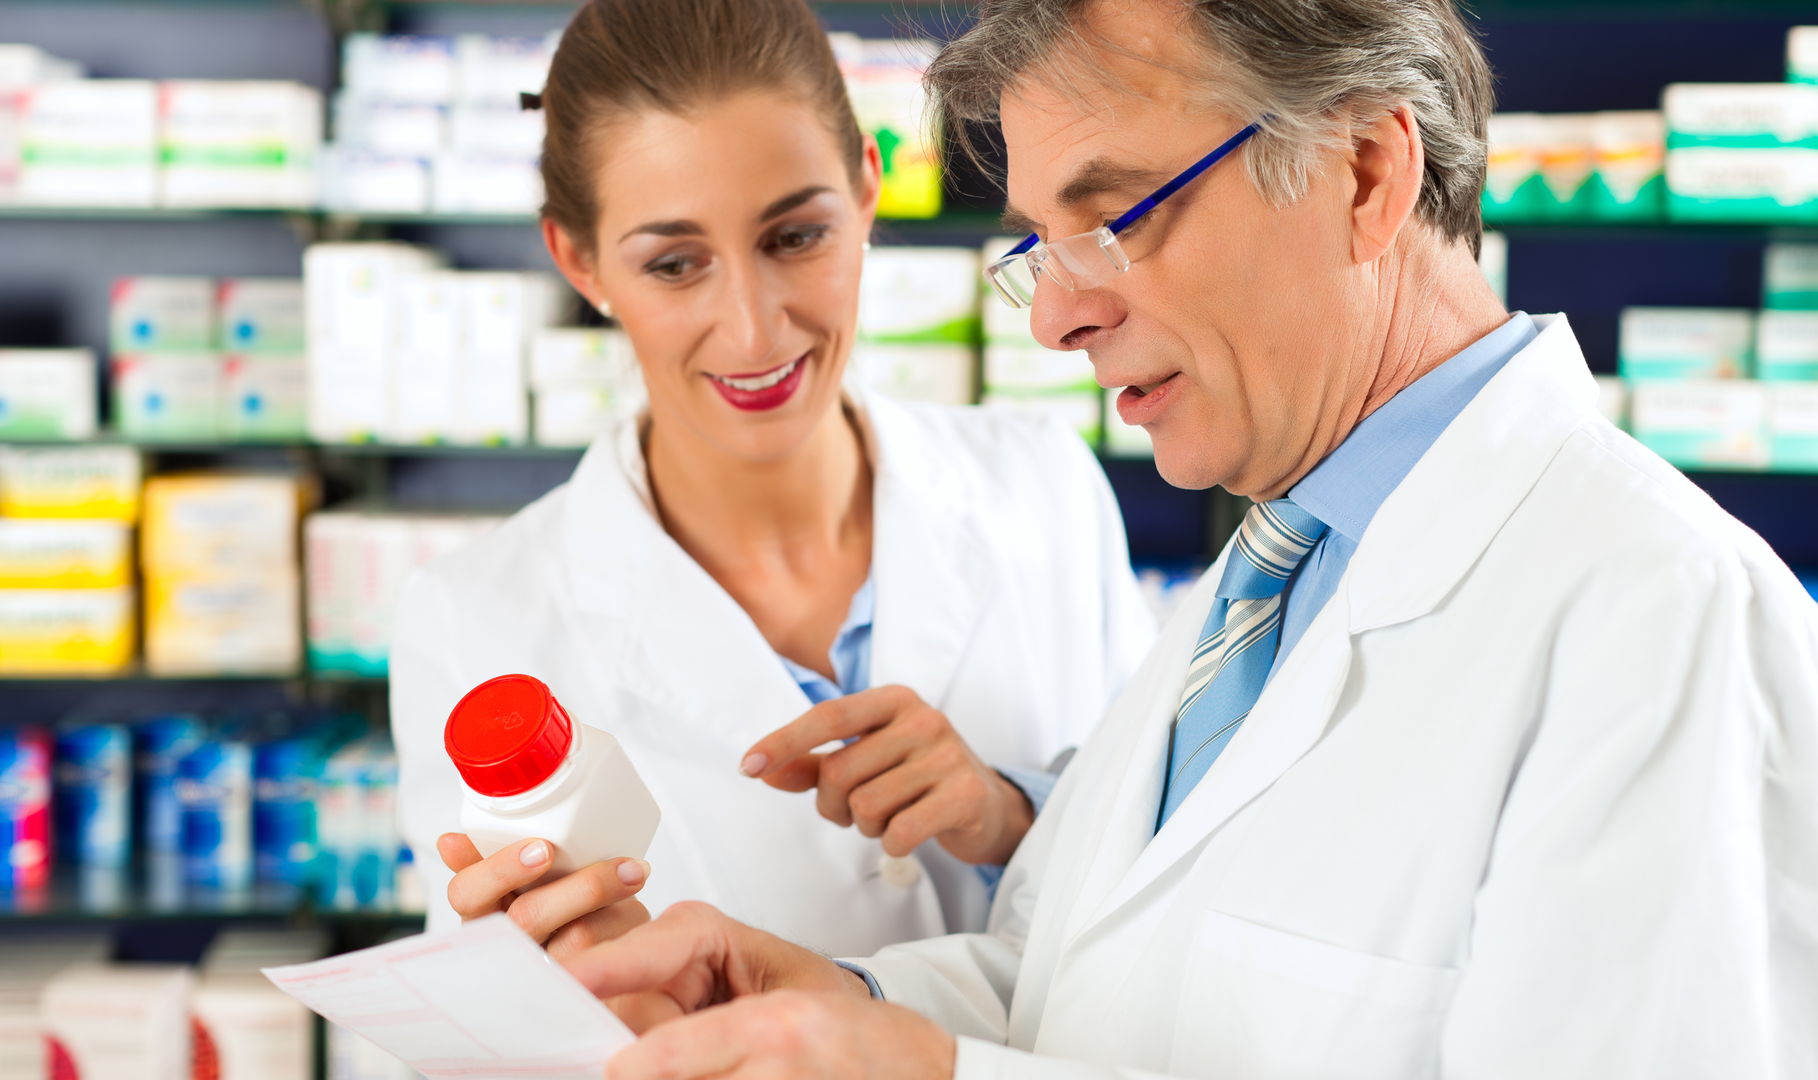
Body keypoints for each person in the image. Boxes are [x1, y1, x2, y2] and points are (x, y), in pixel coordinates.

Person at [542, 0, 1818, 1076]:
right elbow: (1082, 985)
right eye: (1038, 244)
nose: (1056, 317)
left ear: (1365, 173)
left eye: (1115, 219)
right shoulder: (1273, 568)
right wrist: (834, 1007)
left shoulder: (1666, 623)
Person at [388, 0, 1155, 962]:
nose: (753, 331)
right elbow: (470, 1029)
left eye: (795, 238)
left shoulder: (1043, 488)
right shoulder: (473, 619)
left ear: (867, 191)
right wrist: (540, 1003)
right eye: (674, 263)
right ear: (579, 262)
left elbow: (1164, 882)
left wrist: (1011, 818)